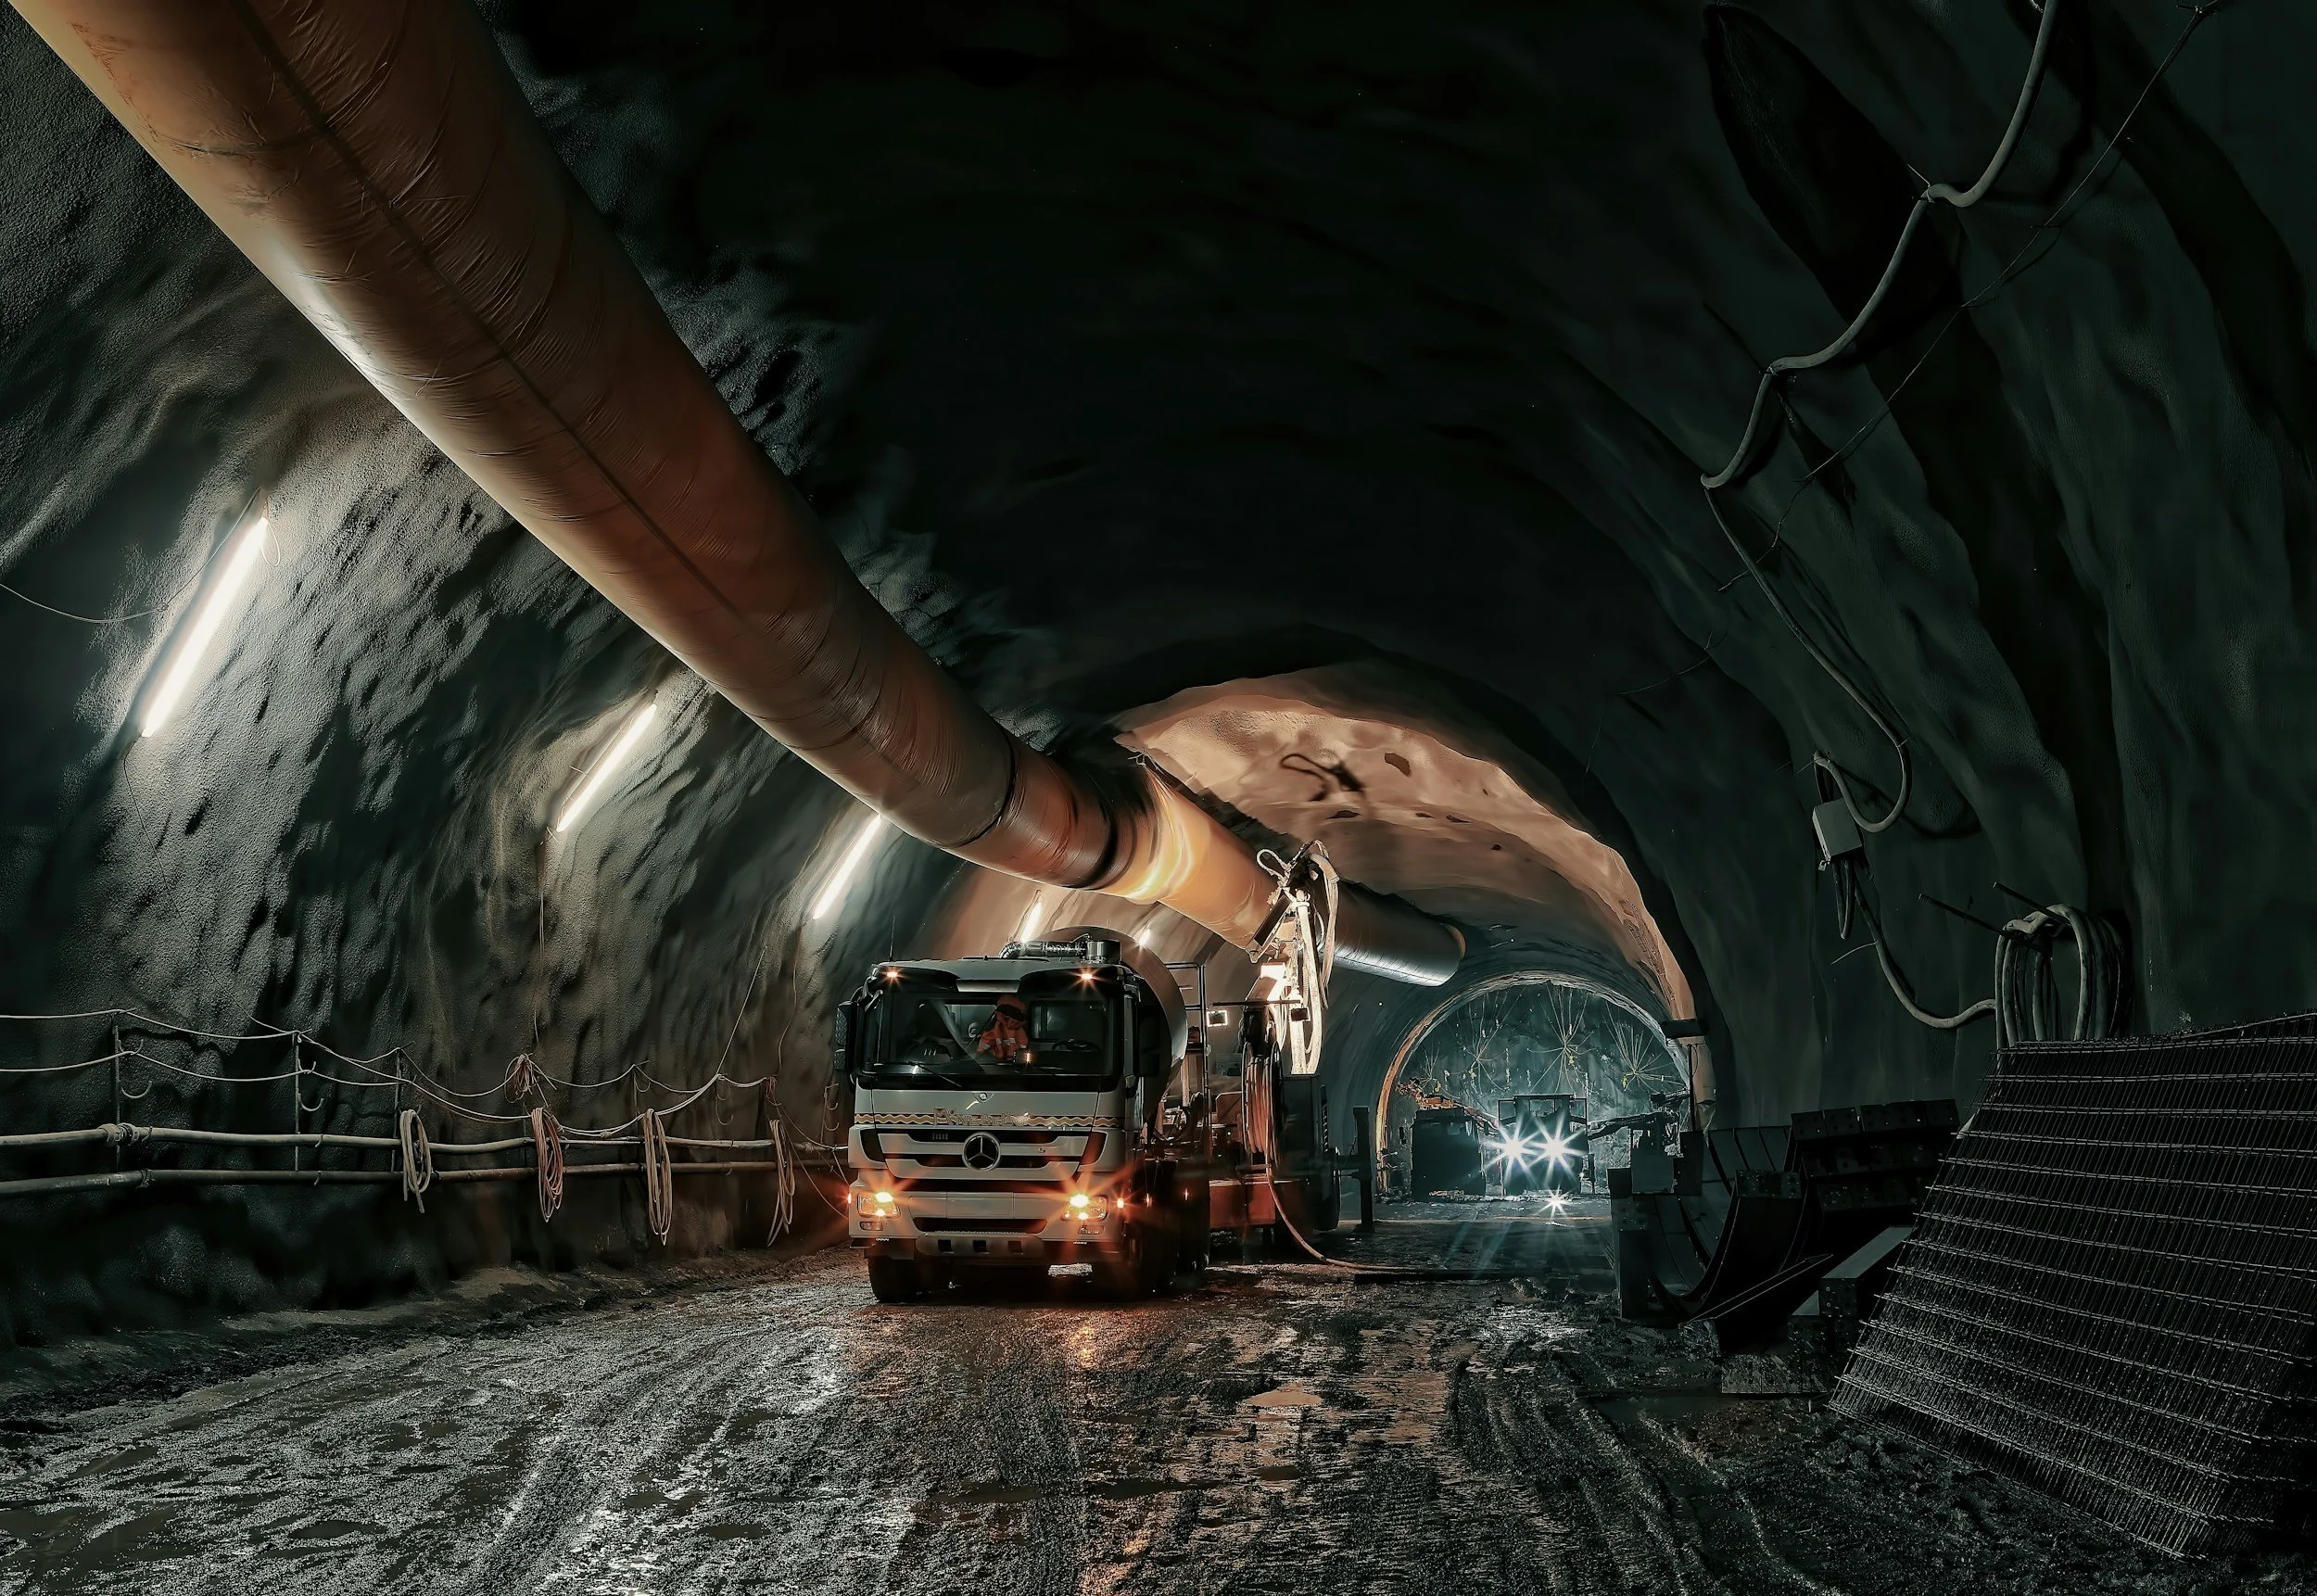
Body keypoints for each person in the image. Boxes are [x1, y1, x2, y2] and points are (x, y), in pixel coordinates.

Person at [977, 993, 1031, 1061]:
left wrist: (977, 1055)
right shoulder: (1021, 1030)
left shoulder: (994, 1027)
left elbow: (981, 1049)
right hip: (1013, 1064)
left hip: (993, 1063)